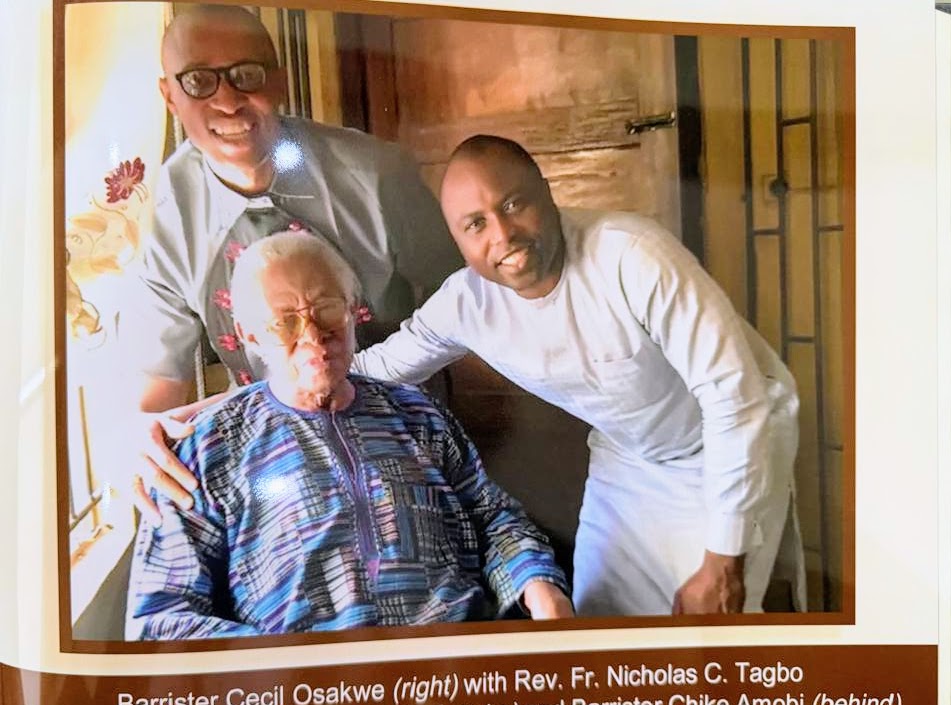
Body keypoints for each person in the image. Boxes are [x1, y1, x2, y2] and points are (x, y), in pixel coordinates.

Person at [352, 135, 805, 618]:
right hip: (628, 457)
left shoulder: (632, 255)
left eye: (513, 203)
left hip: (724, 441)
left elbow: (734, 397)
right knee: (598, 620)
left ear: (547, 193)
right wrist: (276, 374)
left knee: (704, 634)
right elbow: (380, 368)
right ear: (458, 241)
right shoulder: (465, 303)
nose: (502, 234)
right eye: (476, 224)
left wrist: (723, 563)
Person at [125, 231, 572, 640]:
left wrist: (536, 582)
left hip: (450, 665)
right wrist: (285, 666)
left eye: (327, 309)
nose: (314, 335)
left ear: (352, 308)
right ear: (248, 334)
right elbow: (161, 616)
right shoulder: (208, 448)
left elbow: (493, 518)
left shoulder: (416, 414)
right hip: (306, 698)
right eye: (285, 322)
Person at [126, 5, 460, 505]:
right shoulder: (168, 211)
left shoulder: (378, 176)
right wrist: (150, 442)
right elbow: (161, 385)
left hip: (403, 438)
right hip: (275, 463)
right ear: (168, 95)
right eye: (199, 80)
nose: (229, 101)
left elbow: (463, 299)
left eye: (247, 75)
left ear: (279, 81)